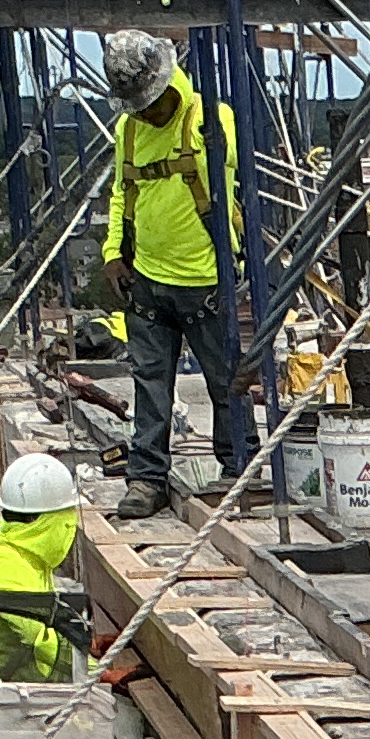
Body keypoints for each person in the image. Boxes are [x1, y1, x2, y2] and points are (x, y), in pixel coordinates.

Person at [100, 29, 254, 519]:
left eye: (148, 103)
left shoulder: (210, 120)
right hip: (148, 279)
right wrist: (113, 252)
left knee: (227, 381)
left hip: (207, 279)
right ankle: (146, 478)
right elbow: (123, 194)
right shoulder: (129, 131)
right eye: (136, 106)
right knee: (149, 382)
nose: (145, 114)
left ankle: (239, 471)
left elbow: (232, 176)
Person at [0, 451, 87, 681]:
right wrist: (103, 672)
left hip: (3, 683)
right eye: (66, 525)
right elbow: (44, 644)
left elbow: (48, 621)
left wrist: (93, 641)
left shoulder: (24, 559)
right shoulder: (4, 568)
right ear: (48, 525)